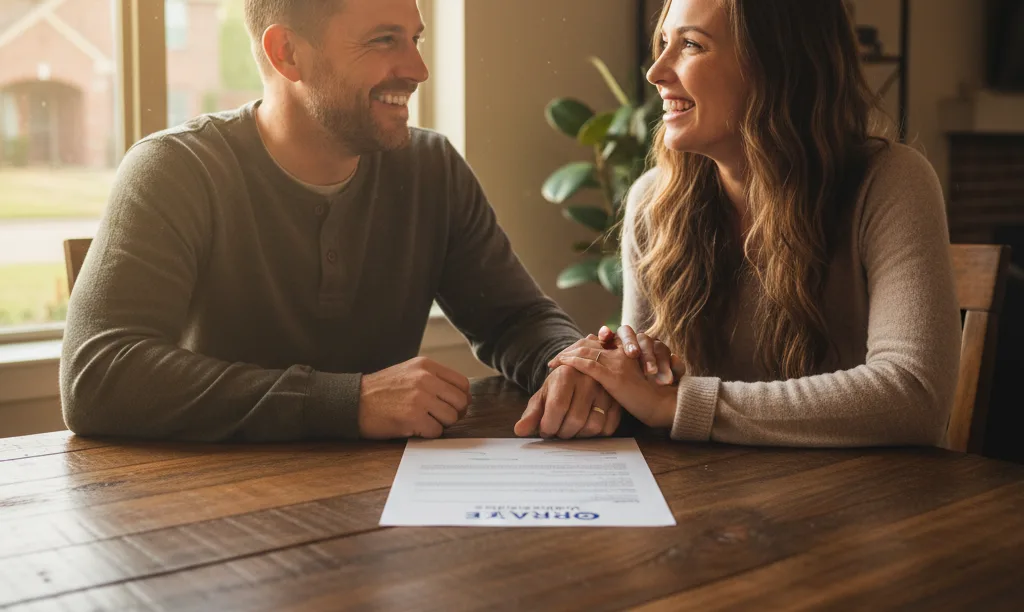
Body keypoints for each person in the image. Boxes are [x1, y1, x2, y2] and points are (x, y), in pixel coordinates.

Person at [60, 0, 669, 442]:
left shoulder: (431, 168)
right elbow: (98, 373)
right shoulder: (175, 168)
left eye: (415, 38)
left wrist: (572, 365)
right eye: (383, 41)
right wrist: (347, 402)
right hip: (205, 525)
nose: (417, 69)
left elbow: (515, 319)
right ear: (287, 53)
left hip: (382, 519)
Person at [531, 0, 962, 447]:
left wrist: (680, 404)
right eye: (663, 43)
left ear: (778, 64)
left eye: (691, 45)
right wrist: (598, 377)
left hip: (867, 504)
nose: (656, 72)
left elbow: (915, 394)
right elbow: (647, 387)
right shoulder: (652, 202)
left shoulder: (889, 183)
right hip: (718, 502)